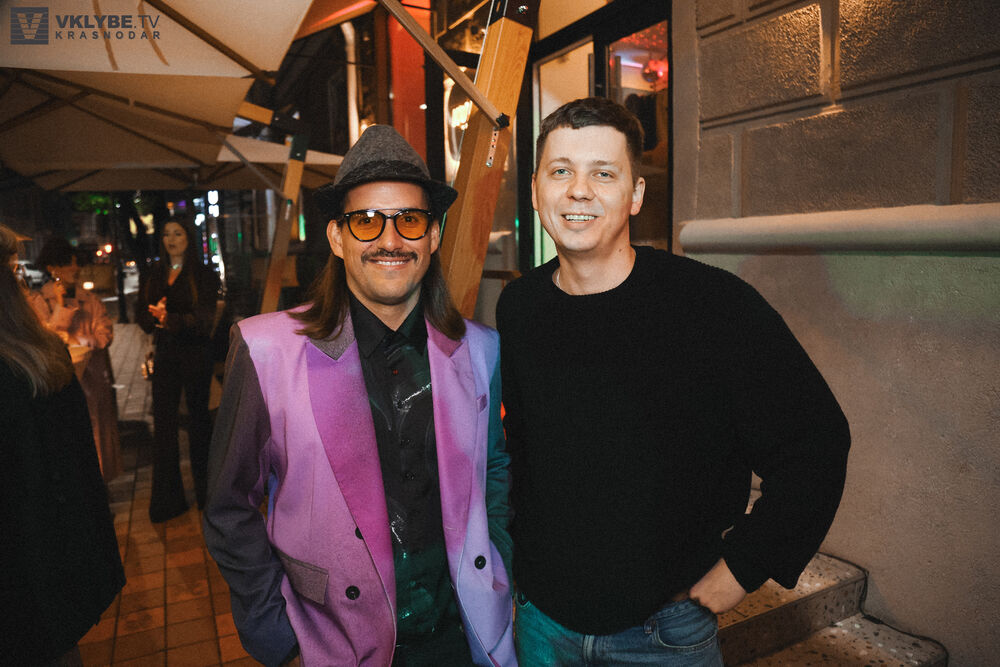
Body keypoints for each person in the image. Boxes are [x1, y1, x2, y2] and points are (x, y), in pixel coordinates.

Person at [495, 97, 851, 665]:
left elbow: (815, 442)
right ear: (536, 189)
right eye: (560, 171)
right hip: (541, 622)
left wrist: (745, 566)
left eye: (603, 174)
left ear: (635, 194)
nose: (579, 190)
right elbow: (522, 453)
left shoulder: (712, 305)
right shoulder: (519, 307)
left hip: (663, 632)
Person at [203, 125, 515, 667]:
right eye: (367, 220)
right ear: (337, 237)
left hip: (461, 638)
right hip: (336, 642)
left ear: (432, 237)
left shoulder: (481, 350)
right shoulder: (265, 351)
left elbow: (495, 471)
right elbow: (230, 507)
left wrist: (500, 568)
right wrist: (279, 638)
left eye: (409, 220)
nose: (390, 241)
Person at [0, 224, 125, 665]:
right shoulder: (39, 341)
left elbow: (103, 332)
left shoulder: (32, 362)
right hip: (47, 588)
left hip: (33, 587)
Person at [135, 216, 220, 522]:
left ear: (188, 238)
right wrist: (153, 316)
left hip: (195, 355)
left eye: (178, 233)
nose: (171, 239)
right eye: (167, 234)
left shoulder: (204, 275)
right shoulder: (154, 273)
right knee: (164, 425)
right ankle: (168, 501)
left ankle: (207, 494)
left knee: (198, 423)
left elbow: (204, 319)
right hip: (166, 355)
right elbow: (141, 315)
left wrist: (169, 318)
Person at [29, 236, 121, 482]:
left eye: (76, 262)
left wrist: (79, 341)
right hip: (59, 385)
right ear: (52, 268)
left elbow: (104, 335)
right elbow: (47, 340)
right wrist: (61, 308)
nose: (75, 268)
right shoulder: (38, 302)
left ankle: (99, 487)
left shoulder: (90, 300)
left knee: (96, 437)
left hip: (92, 381)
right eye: (67, 263)